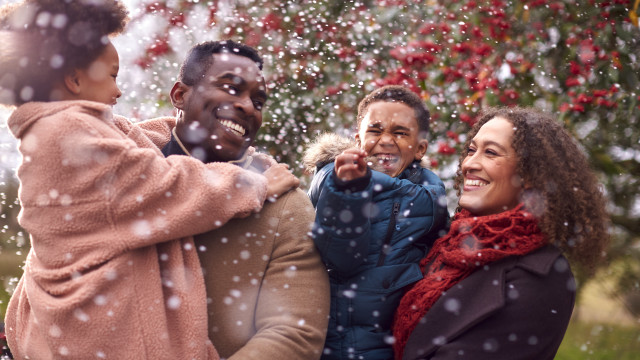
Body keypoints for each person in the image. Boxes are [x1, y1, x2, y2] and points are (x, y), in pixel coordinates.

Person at [0, 1, 297, 359]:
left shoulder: (63, 130)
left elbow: (135, 145)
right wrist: (254, 183)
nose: (119, 91)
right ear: (74, 78)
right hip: (103, 337)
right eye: (111, 75)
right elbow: (167, 187)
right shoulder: (68, 131)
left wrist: (195, 133)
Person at [134, 40, 331, 359]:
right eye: (231, 88)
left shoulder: (284, 207)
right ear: (180, 95)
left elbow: (293, 333)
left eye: (258, 100)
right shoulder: (120, 178)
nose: (247, 106)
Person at [393, 106, 610, 360]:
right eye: (472, 150)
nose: (469, 164)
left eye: (491, 153)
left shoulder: (543, 277)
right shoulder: (442, 243)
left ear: (530, 174)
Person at [303, 85, 449, 360]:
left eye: (400, 132)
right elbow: (342, 257)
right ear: (358, 140)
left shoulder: (431, 202)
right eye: (375, 130)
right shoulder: (333, 181)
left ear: (419, 149)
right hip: (325, 346)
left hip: (391, 348)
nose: (385, 140)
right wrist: (349, 190)